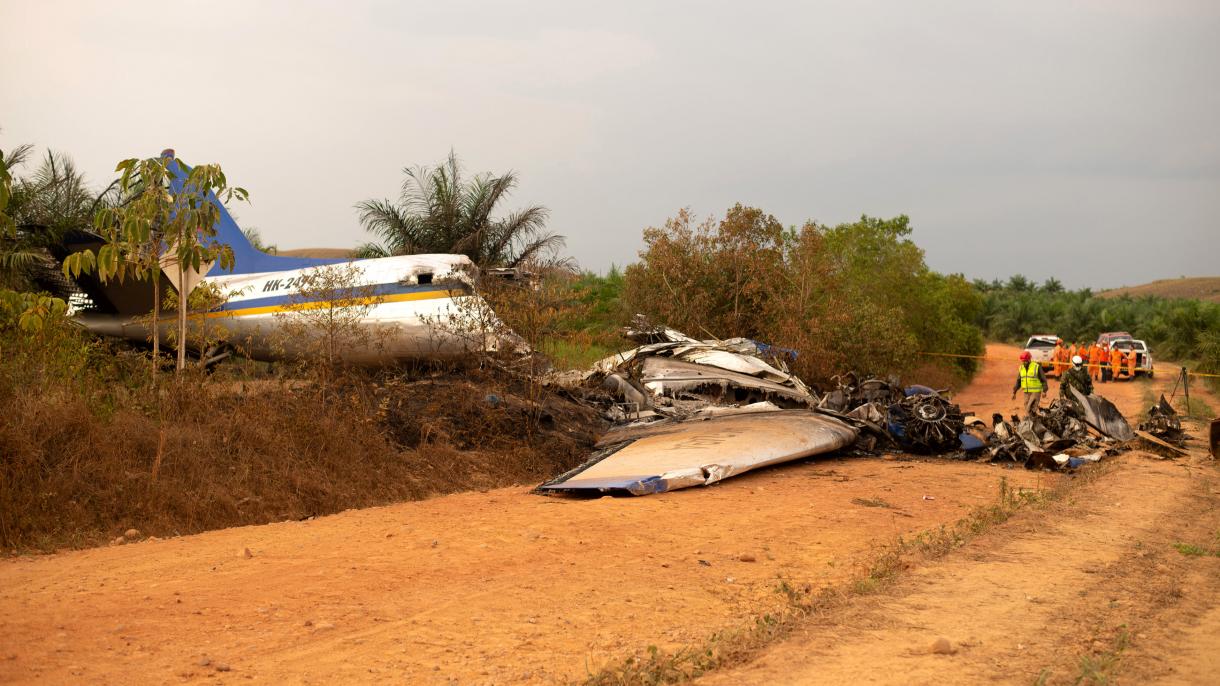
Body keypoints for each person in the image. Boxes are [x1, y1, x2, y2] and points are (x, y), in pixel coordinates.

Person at [1012, 350, 1047, 418]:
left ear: (1029, 359)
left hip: (1035, 392)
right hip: (1026, 392)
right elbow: (1019, 381)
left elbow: (1043, 379)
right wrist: (1014, 392)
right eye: (1023, 361)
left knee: (1029, 408)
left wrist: (1044, 391)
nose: (1024, 362)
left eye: (1025, 361)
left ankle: (1030, 423)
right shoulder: (1021, 368)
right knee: (1027, 408)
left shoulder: (1036, 367)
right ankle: (1035, 421)